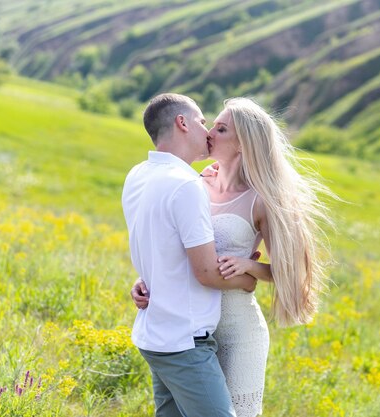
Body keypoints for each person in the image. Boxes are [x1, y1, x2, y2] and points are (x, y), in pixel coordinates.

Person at [132, 97, 333, 417]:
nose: (210, 132)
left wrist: (251, 267)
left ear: (243, 144)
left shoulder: (261, 200)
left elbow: (292, 272)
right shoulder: (194, 184)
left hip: (238, 332)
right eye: (211, 124)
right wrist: (147, 279)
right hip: (190, 327)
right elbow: (173, 247)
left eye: (221, 128)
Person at [122, 93, 257, 417]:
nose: (207, 130)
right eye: (201, 121)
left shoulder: (138, 174)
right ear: (182, 123)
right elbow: (207, 273)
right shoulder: (186, 185)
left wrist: (145, 279)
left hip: (154, 333)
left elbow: (158, 247)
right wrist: (250, 279)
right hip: (184, 340)